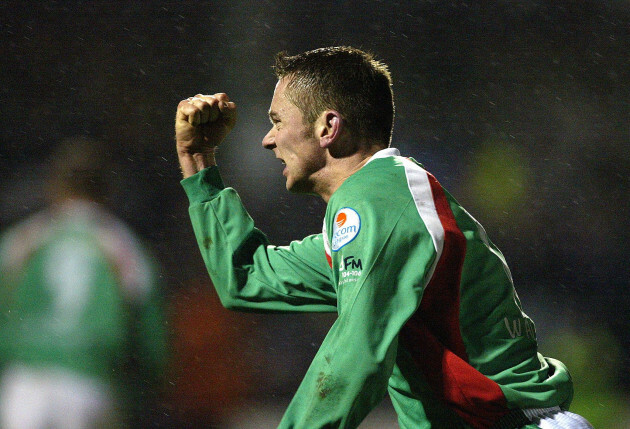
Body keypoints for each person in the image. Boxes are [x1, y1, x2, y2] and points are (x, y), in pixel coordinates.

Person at [174, 46, 593, 429]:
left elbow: (354, 358)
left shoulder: (378, 203)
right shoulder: (378, 212)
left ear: (328, 127)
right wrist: (198, 161)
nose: (268, 140)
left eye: (277, 121)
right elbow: (246, 277)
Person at [0, 136, 168, 429]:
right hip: (89, 382)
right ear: (108, 189)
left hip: (25, 381)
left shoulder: (22, 240)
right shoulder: (123, 247)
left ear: (52, 185)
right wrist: (143, 393)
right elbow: (150, 336)